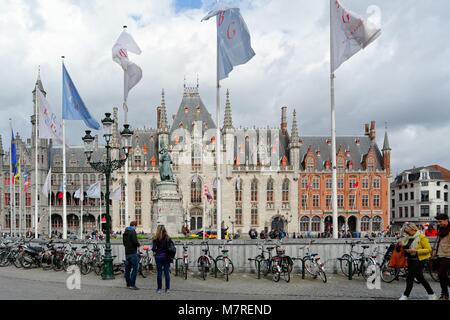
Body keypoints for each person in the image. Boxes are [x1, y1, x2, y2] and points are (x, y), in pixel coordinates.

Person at [398, 222, 437, 300]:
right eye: (406, 232)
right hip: (410, 260)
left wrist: (416, 251)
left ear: (413, 229)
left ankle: (405, 295)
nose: (407, 233)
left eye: (407, 231)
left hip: (419, 260)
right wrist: (401, 244)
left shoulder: (421, 237)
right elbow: (403, 244)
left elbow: (429, 249)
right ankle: (432, 294)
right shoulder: (407, 237)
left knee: (410, 277)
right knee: (420, 278)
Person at [152, 225, 173, 294]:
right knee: (166, 272)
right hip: (166, 257)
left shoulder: (155, 238)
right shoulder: (168, 238)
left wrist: (156, 251)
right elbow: (172, 247)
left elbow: (154, 249)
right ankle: (167, 289)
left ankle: (159, 289)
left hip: (158, 257)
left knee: (159, 273)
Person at [434, 214, 450, 300]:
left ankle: (445, 294)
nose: (439, 223)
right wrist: (435, 251)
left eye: (440, 221)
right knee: (441, 276)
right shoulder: (441, 229)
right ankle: (444, 294)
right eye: (438, 222)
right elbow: (439, 241)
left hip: (448, 255)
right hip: (440, 254)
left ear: (446, 220)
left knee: (441, 273)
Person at [122, 221, 140, 290]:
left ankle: (128, 283)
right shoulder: (133, 232)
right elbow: (135, 242)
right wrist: (138, 244)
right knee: (135, 269)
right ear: (134, 225)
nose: (136, 228)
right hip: (133, 252)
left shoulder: (125, 232)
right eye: (136, 226)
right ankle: (132, 285)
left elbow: (124, 243)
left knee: (127, 269)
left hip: (127, 253)